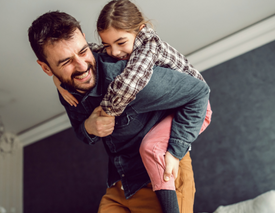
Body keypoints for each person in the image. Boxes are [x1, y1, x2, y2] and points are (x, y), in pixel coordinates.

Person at [28, 10, 210, 213]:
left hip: (162, 176)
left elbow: (199, 92)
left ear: (86, 42)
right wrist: (89, 127)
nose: (82, 67)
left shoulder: (130, 78)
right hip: (120, 186)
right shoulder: (67, 88)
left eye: (82, 51)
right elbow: (83, 133)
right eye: (66, 62)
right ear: (46, 68)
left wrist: (176, 150)